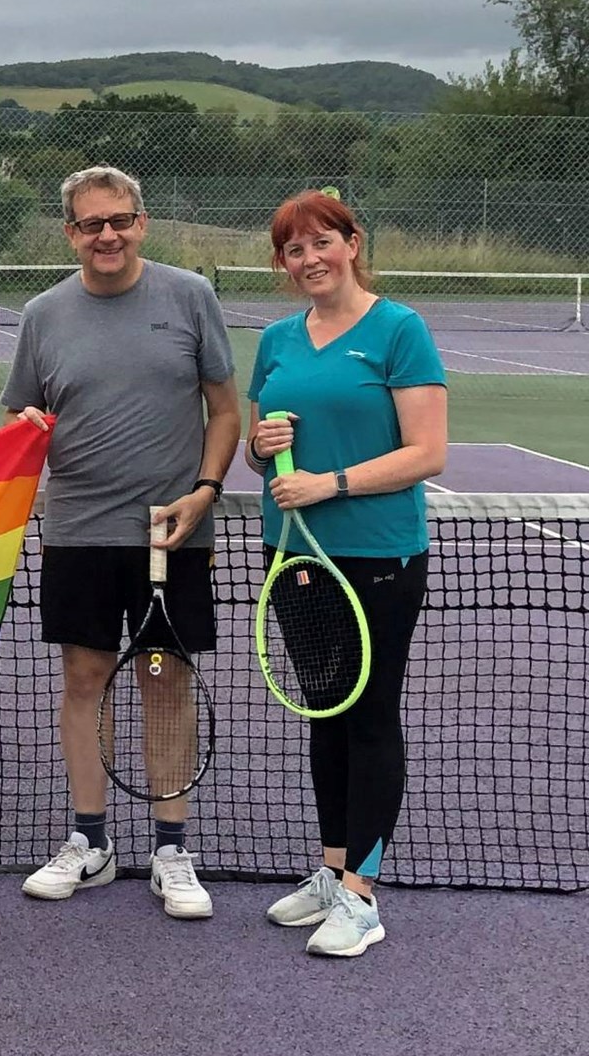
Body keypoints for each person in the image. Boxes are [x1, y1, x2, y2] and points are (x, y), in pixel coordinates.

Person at [2, 165, 239, 920]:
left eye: (120, 220)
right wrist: (24, 433)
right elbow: (23, 420)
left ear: (142, 222)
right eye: (90, 224)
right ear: (70, 233)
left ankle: (172, 848)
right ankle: (90, 841)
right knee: (84, 680)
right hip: (78, 532)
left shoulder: (189, 298)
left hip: (171, 537)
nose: (107, 235)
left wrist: (204, 491)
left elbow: (226, 412)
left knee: (165, 680)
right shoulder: (43, 314)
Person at [245, 189, 446, 958]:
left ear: (353, 243)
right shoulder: (276, 340)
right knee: (325, 710)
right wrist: (263, 447)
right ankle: (331, 870)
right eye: (294, 251)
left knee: (368, 714)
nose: (310, 260)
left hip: (378, 555)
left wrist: (330, 484)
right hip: (294, 556)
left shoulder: (400, 330)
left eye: (322, 242)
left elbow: (426, 453)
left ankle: (363, 892)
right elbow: (256, 448)